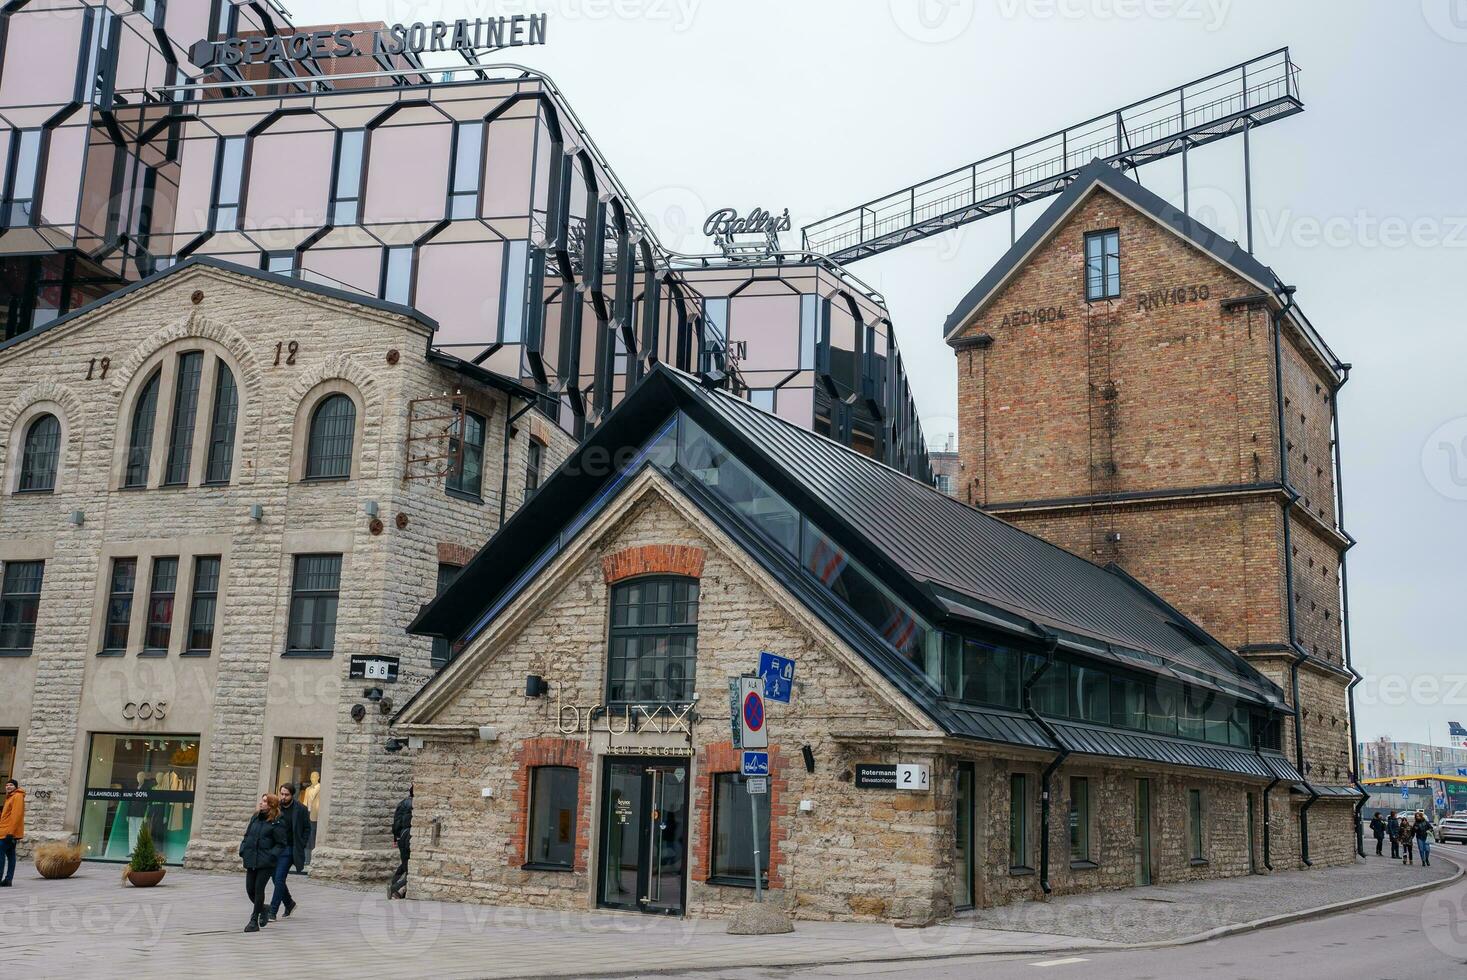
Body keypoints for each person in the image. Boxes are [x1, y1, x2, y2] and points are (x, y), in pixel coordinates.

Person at [239, 794, 287, 933]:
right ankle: (264, 908)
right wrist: (243, 849)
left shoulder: (277, 821)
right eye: (262, 800)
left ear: (271, 805)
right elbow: (247, 835)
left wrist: (272, 855)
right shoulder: (255, 817)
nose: (261, 803)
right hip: (251, 858)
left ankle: (254, 920)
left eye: (265, 801)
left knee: (259, 889)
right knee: (250, 890)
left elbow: (281, 843)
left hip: (266, 861)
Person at [269, 782, 311, 920]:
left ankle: (272, 911)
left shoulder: (301, 809)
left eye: (286, 794)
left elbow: (307, 829)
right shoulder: (276, 807)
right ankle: (289, 903)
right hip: (276, 847)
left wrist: (301, 844)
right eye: (282, 794)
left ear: (292, 795)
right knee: (275, 879)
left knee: (280, 878)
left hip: (290, 848)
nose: (283, 797)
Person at [0, 778, 24, 887]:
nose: (8, 786)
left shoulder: (17, 796)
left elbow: (16, 815)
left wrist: (11, 833)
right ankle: (8, 880)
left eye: (11, 785)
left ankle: (4, 878)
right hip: (5, 831)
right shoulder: (10, 797)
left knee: (1, 856)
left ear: (15, 787)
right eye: (7, 785)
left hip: (7, 833)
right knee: (11, 856)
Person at [390, 785, 412, 899]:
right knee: (408, 867)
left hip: (401, 836)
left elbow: (396, 821)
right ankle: (397, 889)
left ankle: (394, 885)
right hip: (409, 836)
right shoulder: (414, 804)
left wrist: (395, 838)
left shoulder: (403, 802)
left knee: (404, 864)